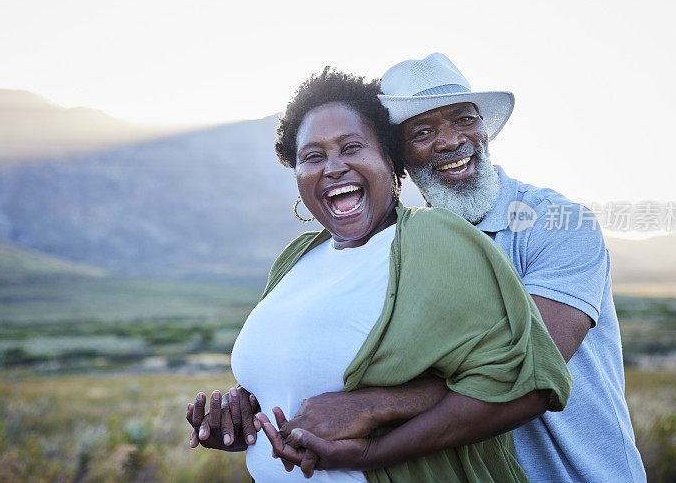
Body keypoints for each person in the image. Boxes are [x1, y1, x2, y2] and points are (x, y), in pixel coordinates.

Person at [258, 53, 647, 482]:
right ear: (396, 157)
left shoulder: (555, 222)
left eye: (464, 119)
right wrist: (255, 402)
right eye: (423, 131)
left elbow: (527, 365)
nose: (449, 141)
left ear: (483, 127)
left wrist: (373, 407)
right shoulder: (400, 250)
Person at [186, 67, 573, 482]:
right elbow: (300, 384)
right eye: (313, 156)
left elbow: (527, 382)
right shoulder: (296, 259)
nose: (333, 167)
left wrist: (371, 442)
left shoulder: (433, 237)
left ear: (389, 159)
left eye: (352, 147)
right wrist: (245, 416)